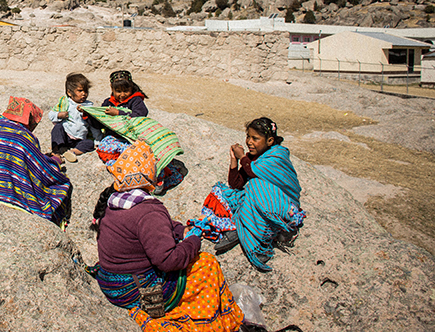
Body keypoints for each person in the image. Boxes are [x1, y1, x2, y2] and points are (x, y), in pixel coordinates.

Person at [86, 140, 243, 332]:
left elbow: (147, 229)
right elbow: (169, 261)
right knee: (206, 264)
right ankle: (212, 318)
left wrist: (179, 230)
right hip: (136, 291)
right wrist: (193, 239)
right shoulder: (149, 211)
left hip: (112, 284)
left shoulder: (115, 201)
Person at [203, 117, 305, 271]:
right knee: (224, 192)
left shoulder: (277, 155)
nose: (249, 142)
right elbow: (236, 184)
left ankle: (256, 241)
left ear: (270, 140)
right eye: (248, 137)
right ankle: (242, 227)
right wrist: (234, 161)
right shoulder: (251, 158)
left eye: (255, 138)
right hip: (260, 200)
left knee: (255, 185)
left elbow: (253, 171)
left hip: (281, 203)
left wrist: (242, 158)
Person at [0, 96, 72, 227]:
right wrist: (54, 161)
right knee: (61, 185)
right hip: (11, 197)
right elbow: (39, 169)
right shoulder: (24, 137)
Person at [49, 73, 94, 163]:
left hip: (80, 138)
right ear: (69, 92)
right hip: (66, 135)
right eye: (80, 91)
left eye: (85, 91)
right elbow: (51, 115)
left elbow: (93, 124)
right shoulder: (65, 103)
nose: (84, 94)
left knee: (90, 143)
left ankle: (72, 152)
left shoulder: (89, 106)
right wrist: (59, 115)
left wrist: (97, 139)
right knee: (57, 128)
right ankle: (56, 151)